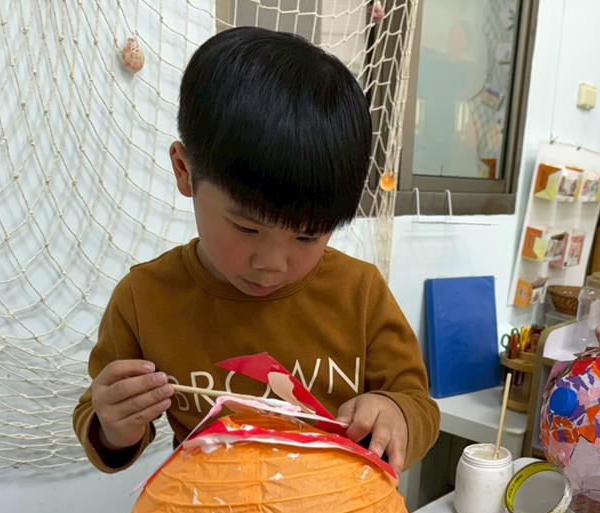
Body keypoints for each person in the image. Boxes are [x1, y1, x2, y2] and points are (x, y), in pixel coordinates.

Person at [73, 27, 439, 475]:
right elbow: (100, 418)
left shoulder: (359, 292)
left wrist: (396, 413)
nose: (272, 264)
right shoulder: (144, 297)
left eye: (308, 237)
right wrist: (114, 427)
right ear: (184, 171)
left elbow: (417, 405)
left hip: (334, 511)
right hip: (208, 509)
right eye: (247, 227)